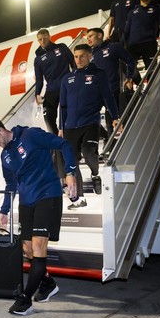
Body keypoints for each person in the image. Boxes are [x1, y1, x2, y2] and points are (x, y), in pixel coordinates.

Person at [0, 119, 78, 315]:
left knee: (38, 245)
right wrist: (4, 210)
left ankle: (25, 299)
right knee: (27, 248)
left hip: (47, 195)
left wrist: (70, 173)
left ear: (1, 130)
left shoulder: (30, 135)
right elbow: (11, 185)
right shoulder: (5, 156)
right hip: (26, 200)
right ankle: (48, 283)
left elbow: (64, 144)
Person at [59, 44, 120, 209]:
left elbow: (108, 97)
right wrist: (60, 127)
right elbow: (62, 106)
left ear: (90, 56)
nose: (78, 60)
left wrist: (115, 117)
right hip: (70, 126)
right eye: (76, 56)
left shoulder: (99, 75)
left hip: (90, 123)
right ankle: (79, 198)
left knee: (87, 153)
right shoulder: (67, 79)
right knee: (71, 161)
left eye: (82, 56)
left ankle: (95, 174)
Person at [33, 28, 75, 181]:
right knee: (48, 116)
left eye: (44, 38)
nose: (42, 41)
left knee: (66, 114)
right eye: (40, 39)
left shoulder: (61, 48)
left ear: (49, 37)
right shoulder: (38, 58)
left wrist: (75, 79)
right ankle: (57, 138)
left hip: (66, 85)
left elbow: (73, 63)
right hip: (51, 88)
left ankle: (66, 136)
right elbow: (39, 79)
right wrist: (37, 93)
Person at [86, 27, 136, 140]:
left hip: (112, 90)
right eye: (87, 37)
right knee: (88, 119)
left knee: (111, 122)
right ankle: (107, 139)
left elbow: (130, 61)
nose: (88, 39)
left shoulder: (113, 47)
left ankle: (113, 147)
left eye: (90, 36)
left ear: (99, 35)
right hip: (96, 94)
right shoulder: (89, 55)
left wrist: (129, 77)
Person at [125, 0, 160, 84]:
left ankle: (151, 89)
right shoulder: (132, 12)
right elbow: (126, 30)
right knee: (129, 66)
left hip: (149, 43)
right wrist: (123, 43)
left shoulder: (157, 8)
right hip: (133, 44)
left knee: (152, 69)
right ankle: (138, 84)